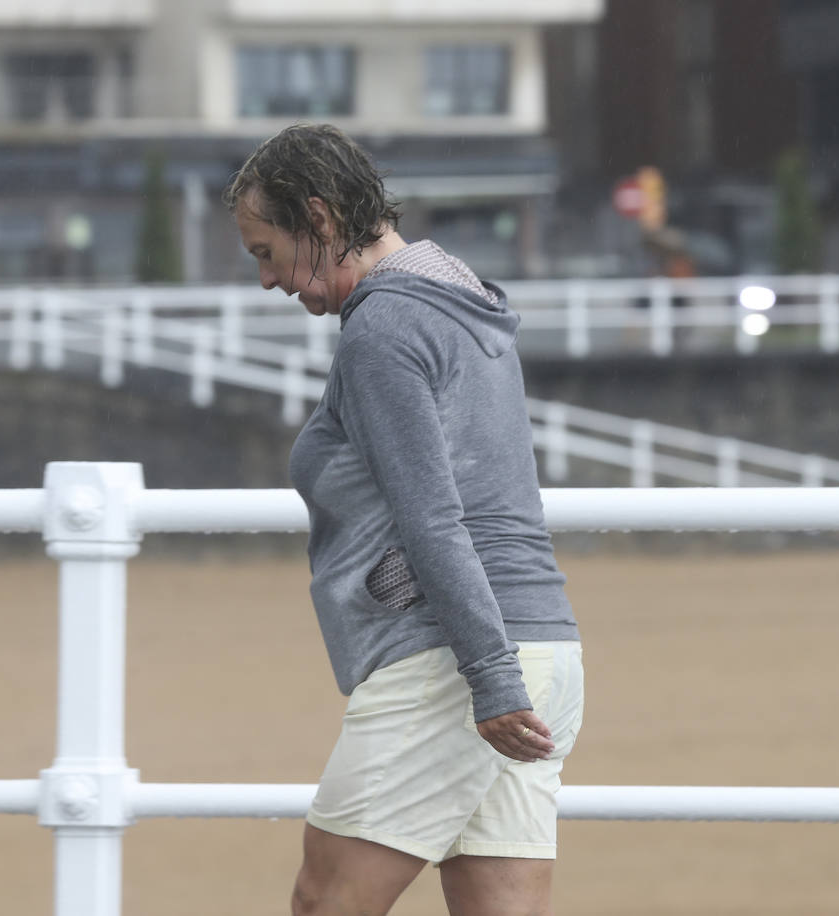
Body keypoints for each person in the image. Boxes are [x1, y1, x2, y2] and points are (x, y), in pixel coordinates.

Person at [225, 124, 584, 916]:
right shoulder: (462, 301)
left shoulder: (383, 333)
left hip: (454, 663)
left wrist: (489, 679)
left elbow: (434, 519)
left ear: (318, 221)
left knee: (325, 901)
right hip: (543, 647)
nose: (266, 280)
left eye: (264, 251)